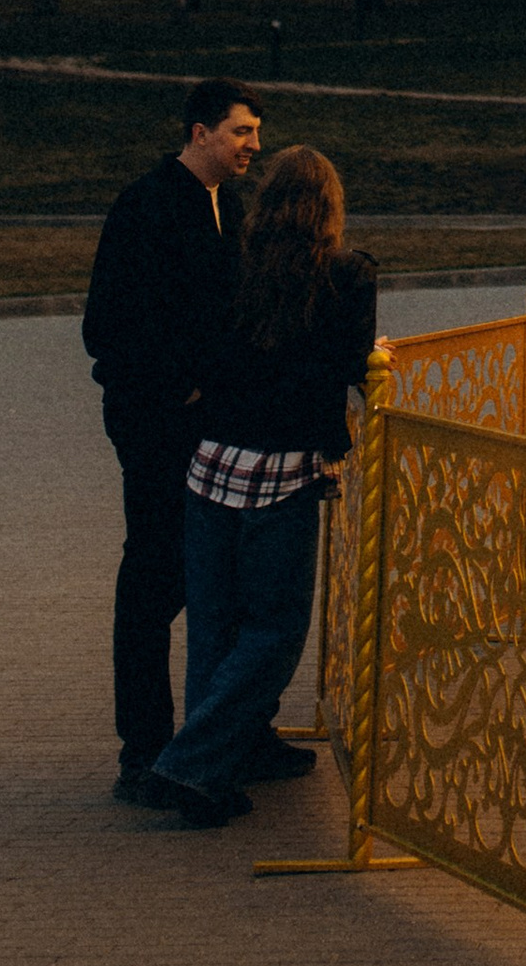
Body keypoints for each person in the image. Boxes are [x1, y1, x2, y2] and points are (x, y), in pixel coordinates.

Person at [149, 146, 377, 830]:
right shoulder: (345, 275)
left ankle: (236, 750)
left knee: (216, 625)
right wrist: (378, 358)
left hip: (212, 461)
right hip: (284, 471)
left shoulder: (229, 264)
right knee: (276, 629)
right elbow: (346, 366)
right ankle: (191, 765)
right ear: (329, 209)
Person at [82, 79, 263, 804]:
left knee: (228, 579)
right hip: (160, 425)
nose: (254, 144)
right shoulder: (148, 206)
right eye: (241, 131)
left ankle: (233, 733)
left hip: (213, 426)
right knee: (156, 576)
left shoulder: (229, 205)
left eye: (254, 131)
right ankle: (145, 750)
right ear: (199, 133)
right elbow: (110, 325)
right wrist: (179, 387)